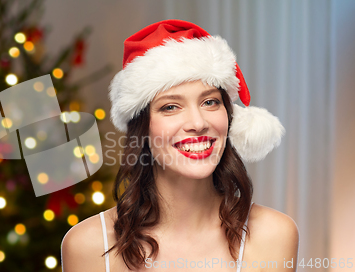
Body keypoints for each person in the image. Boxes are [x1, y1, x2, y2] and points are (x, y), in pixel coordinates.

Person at [61, 20, 299, 272]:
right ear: (142, 127)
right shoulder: (88, 245)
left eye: (210, 102)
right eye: (170, 107)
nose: (198, 123)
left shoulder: (274, 235)